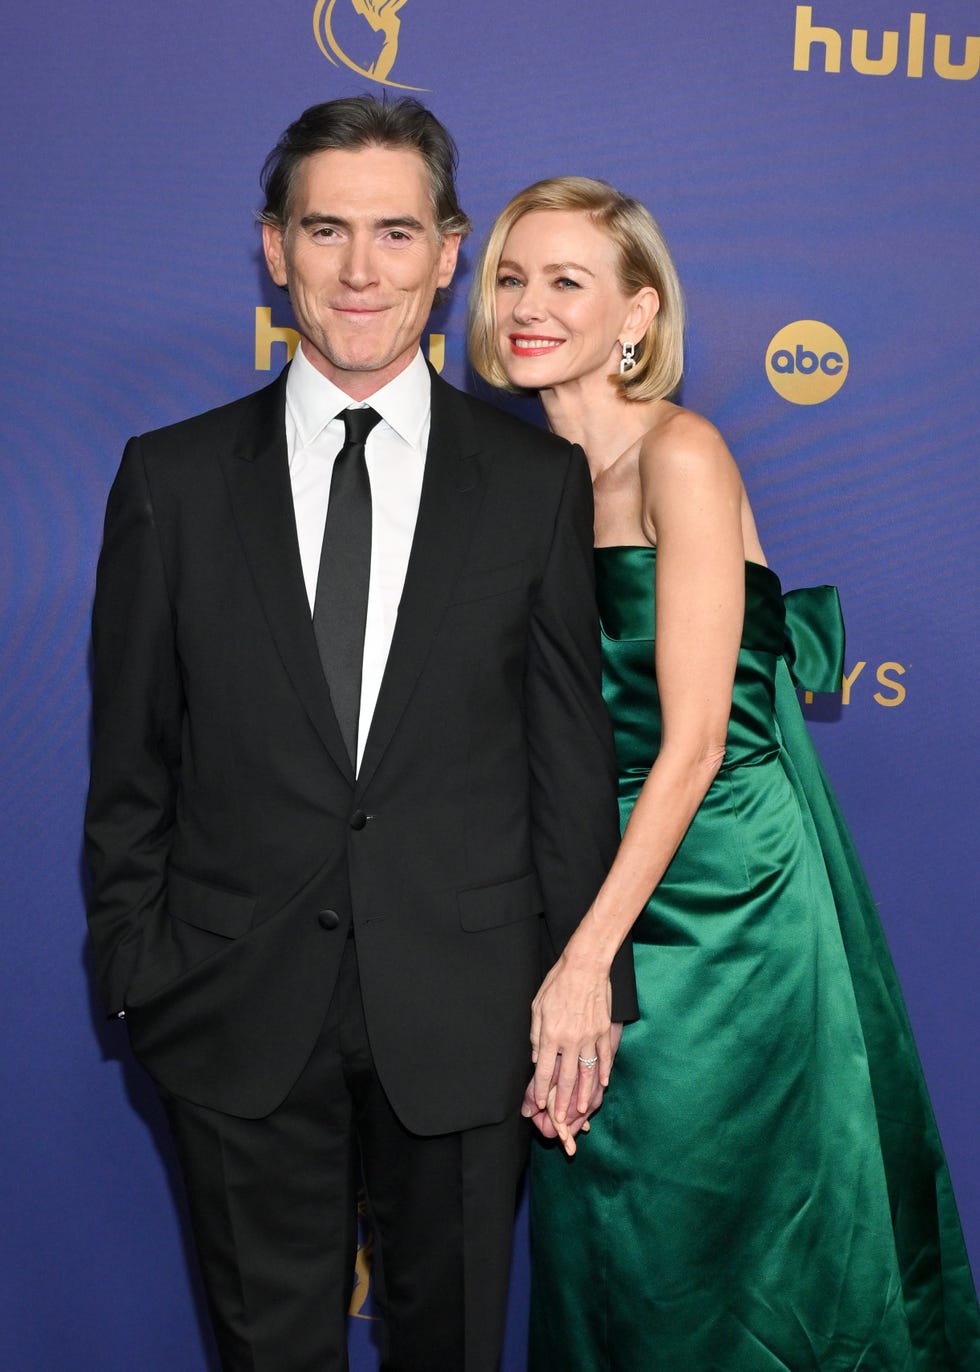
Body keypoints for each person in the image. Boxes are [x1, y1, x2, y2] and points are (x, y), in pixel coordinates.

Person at [84, 102, 636, 1372]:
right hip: (228, 1013)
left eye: (395, 233)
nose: (358, 270)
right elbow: (130, 769)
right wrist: (140, 971)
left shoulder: (531, 482)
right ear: (273, 248)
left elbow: (564, 761)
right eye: (324, 229)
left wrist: (582, 985)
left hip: (469, 1014)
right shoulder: (167, 480)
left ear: (448, 255)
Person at [468, 175, 980, 1370]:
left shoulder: (678, 453)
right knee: (607, 1243)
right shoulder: (525, 484)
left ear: (637, 314)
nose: (528, 306)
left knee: (709, 1242)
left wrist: (583, 961)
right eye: (509, 276)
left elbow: (695, 739)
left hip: (716, 902)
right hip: (588, 884)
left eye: (565, 281)